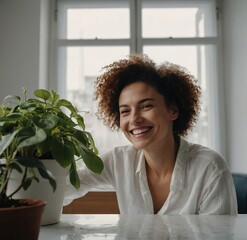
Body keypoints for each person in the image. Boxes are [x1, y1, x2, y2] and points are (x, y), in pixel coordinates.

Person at [64, 54, 238, 215]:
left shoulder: (209, 168)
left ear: (173, 110)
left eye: (146, 106)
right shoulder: (118, 161)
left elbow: (219, 234)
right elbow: (64, 188)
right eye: (125, 111)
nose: (134, 119)